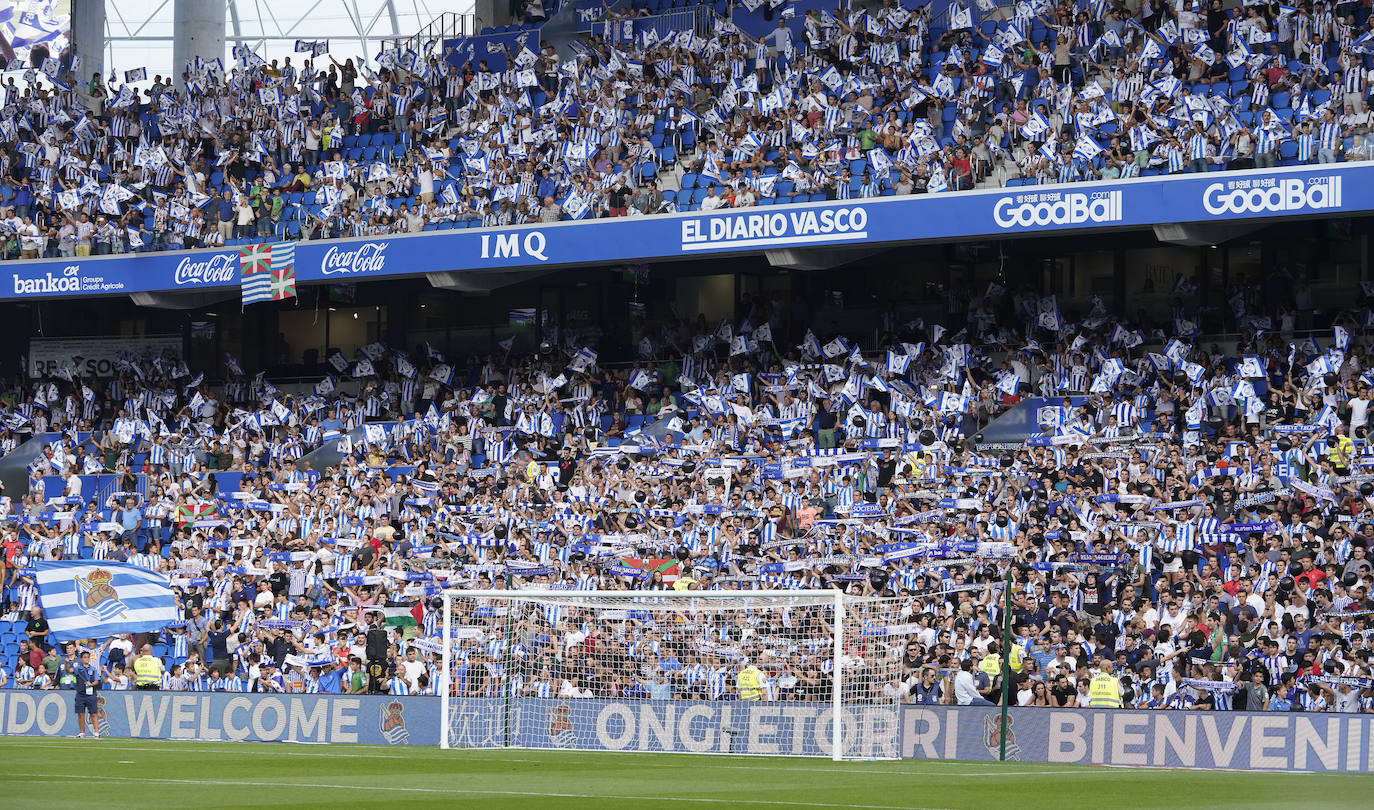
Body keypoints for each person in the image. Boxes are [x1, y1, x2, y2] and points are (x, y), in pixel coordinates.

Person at [73, 649, 101, 738]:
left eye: (88, 657)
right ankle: (82, 732)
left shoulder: (93, 669)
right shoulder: (78, 669)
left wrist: (91, 684)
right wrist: (66, 663)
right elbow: (69, 670)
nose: (87, 659)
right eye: (85, 657)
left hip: (91, 694)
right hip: (80, 694)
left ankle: (96, 732)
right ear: (81, 659)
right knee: (80, 713)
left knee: (93, 713)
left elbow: (97, 680)